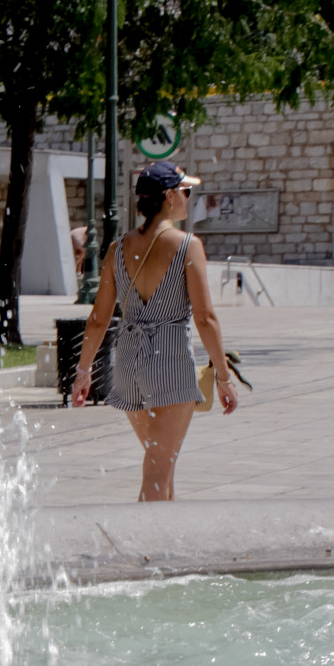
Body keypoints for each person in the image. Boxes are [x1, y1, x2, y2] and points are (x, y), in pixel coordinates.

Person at [71, 161, 239, 501]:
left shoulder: (117, 249)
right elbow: (205, 317)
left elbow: (98, 320)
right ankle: (143, 548)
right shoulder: (187, 245)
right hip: (168, 360)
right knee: (158, 469)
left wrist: (83, 371)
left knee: (162, 461)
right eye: (186, 191)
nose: (189, 198)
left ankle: (165, 545)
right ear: (169, 196)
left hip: (129, 361)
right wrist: (223, 376)